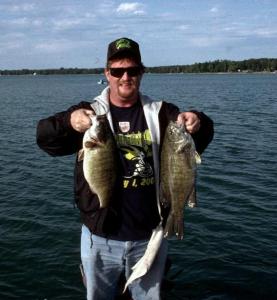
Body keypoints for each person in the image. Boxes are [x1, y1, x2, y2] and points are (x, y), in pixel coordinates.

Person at [36, 37, 214, 300]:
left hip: (149, 237)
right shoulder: (90, 115)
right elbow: (45, 138)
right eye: (118, 71)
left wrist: (198, 120)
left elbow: (199, 137)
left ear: (142, 72)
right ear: (107, 73)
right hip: (99, 238)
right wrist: (68, 122)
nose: (125, 77)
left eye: (132, 70)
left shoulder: (162, 113)